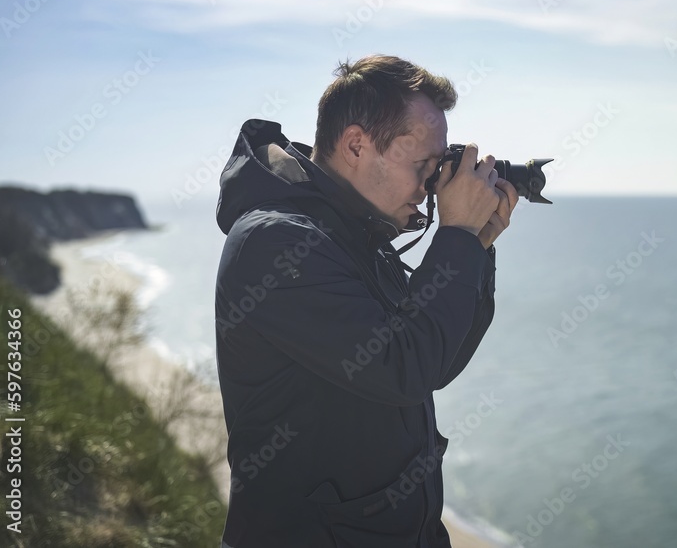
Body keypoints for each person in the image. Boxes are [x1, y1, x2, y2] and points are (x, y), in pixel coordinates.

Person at [213, 54, 517, 547]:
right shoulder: (276, 242)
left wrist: (475, 248)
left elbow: (434, 364)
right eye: (422, 164)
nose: (430, 185)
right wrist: (455, 238)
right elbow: (405, 368)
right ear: (356, 144)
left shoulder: (354, 235)